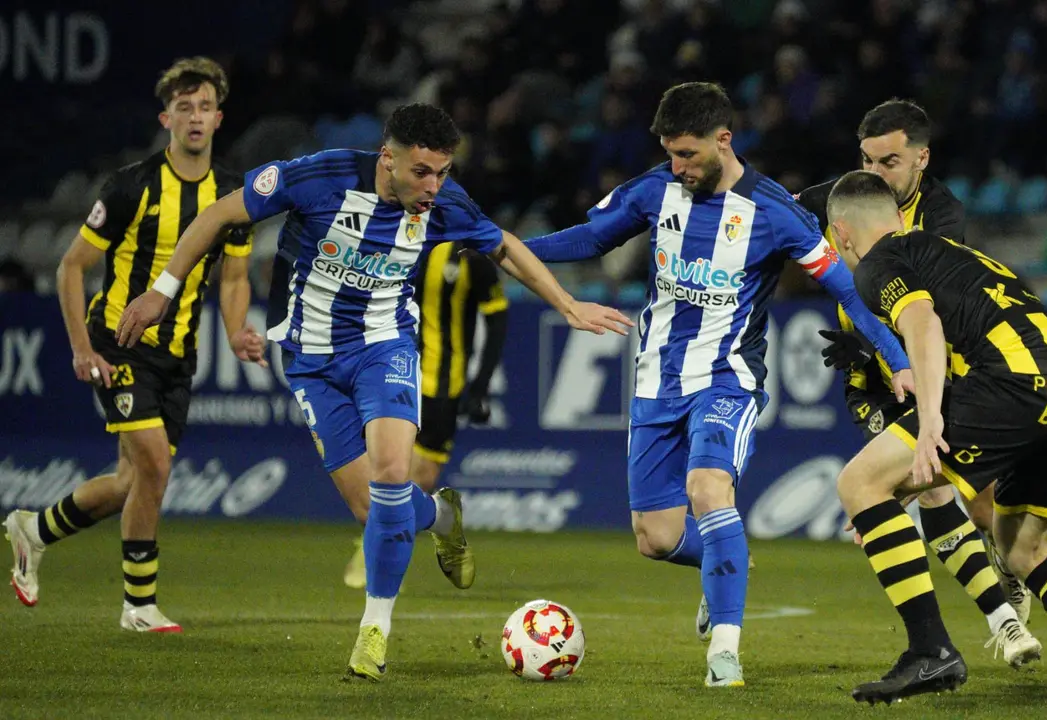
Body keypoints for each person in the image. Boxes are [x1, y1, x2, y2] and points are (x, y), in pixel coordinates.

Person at [115, 103, 631, 681]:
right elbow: (217, 215)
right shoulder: (318, 177)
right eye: (422, 172)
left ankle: (374, 633)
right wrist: (162, 290)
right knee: (371, 508)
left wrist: (567, 305)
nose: (434, 186)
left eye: (443, 172)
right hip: (309, 361)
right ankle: (440, 516)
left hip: (385, 347)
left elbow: (503, 245)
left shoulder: (443, 205)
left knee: (390, 474)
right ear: (388, 159)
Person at [522, 82, 912, 688]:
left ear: (723, 140)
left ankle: (724, 653)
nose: (676, 166)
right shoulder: (656, 189)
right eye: (670, 153)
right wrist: (505, 248)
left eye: (686, 154)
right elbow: (591, 238)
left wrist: (898, 360)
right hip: (656, 382)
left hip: (728, 381)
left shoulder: (777, 211)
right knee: (655, 539)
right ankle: (727, 560)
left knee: (709, 488)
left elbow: (848, 293)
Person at [826, 170, 1047, 712]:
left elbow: (922, 325)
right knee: (1022, 550)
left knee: (858, 481)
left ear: (842, 233)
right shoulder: (948, 252)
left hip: (1014, 382)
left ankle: (929, 649)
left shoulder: (878, 265)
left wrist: (931, 420)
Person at [5, 57, 262, 633]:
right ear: (165, 116)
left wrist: (237, 331)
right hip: (119, 341)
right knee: (155, 463)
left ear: (219, 119)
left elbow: (237, 277)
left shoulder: (231, 196)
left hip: (177, 355)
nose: (194, 118)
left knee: (132, 482)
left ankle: (34, 529)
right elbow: (72, 268)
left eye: (204, 108)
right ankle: (139, 606)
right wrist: (80, 349)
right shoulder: (131, 186)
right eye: (184, 107)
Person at [796, 99, 1038, 667]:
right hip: (873, 379)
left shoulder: (944, 218)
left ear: (921, 159)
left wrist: (879, 338)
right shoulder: (847, 195)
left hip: (931, 370)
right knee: (932, 485)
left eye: (890, 162)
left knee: (982, 510)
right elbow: (772, 213)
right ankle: (1003, 624)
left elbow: (924, 305)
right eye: (866, 159)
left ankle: (1002, 570)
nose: (875, 174)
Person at [342, 244, 509, 590]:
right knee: (387, 468)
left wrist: (480, 384)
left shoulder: (472, 256)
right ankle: (373, 549)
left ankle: (382, 545)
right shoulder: (402, 242)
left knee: (422, 477)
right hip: (392, 372)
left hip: (444, 384)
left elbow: (497, 318)